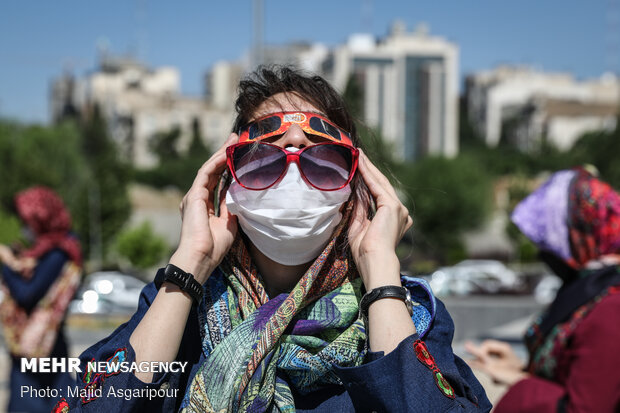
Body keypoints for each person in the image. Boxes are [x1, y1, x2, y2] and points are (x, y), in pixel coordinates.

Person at [54, 66, 490, 412]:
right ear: (229, 182)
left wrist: (380, 269)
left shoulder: (404, 314)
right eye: (263, 161)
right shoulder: (182, 302)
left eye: (322, 161)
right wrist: (191, 260)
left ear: (353, 189)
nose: (294, 179)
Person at [466, 167, 620, 412]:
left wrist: (522, 384)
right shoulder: (595, 291)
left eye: (549, 243)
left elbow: (585, 406)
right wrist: (520, 369)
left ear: (579, 236)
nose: (544, 254)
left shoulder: (610, 307)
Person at [0, 186, 83, 412]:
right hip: (39, 349)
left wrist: (6, 264)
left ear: (41, 219)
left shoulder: (59, 253)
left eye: (28, 222)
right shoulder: (48, 251)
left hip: (41, 350)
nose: (25, 228)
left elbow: (27, 294)